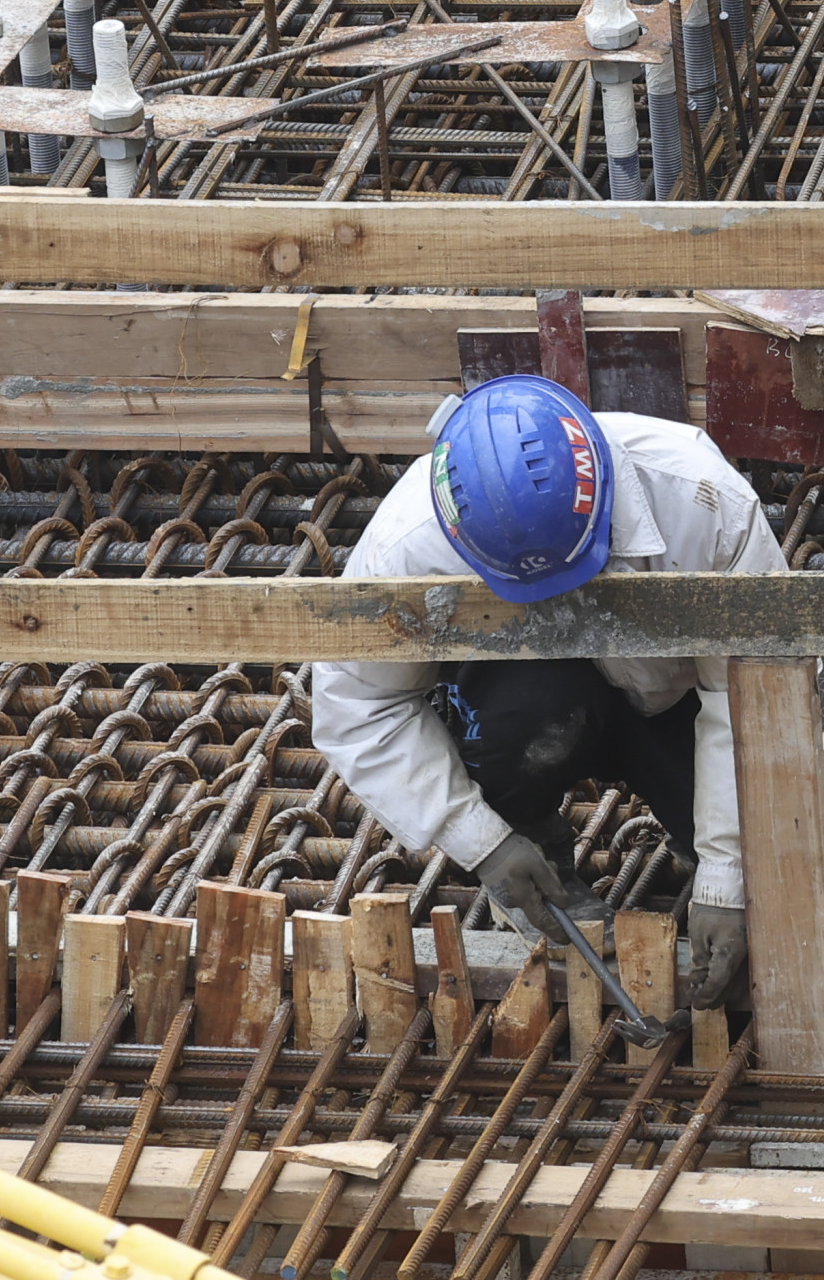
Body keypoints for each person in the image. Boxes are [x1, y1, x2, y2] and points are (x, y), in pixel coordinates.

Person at [310, 376, 780, 1012]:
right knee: (518, 715)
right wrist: (484, 842)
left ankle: (700, 845)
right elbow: (361, 706)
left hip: (680, 699)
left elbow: (750, 693)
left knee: (809, 881)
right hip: (531, 705)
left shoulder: (702, 500)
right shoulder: (406, 544)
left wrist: (728, 878)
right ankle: (535, 843)